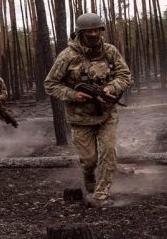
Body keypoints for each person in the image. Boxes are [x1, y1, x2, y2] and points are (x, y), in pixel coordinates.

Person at [44, 13, 132, 208]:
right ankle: (89, 180)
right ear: (80, 32)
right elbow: (50, 84)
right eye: (89, 31)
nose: (93, 34)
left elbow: (125, 75)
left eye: (96, 30)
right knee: (88, 160)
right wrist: (73, 95)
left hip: (106, 113)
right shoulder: (67, 56)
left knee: (108, 152)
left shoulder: (110, 51)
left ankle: (101, 195)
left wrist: (111, 88)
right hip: (80, 117)